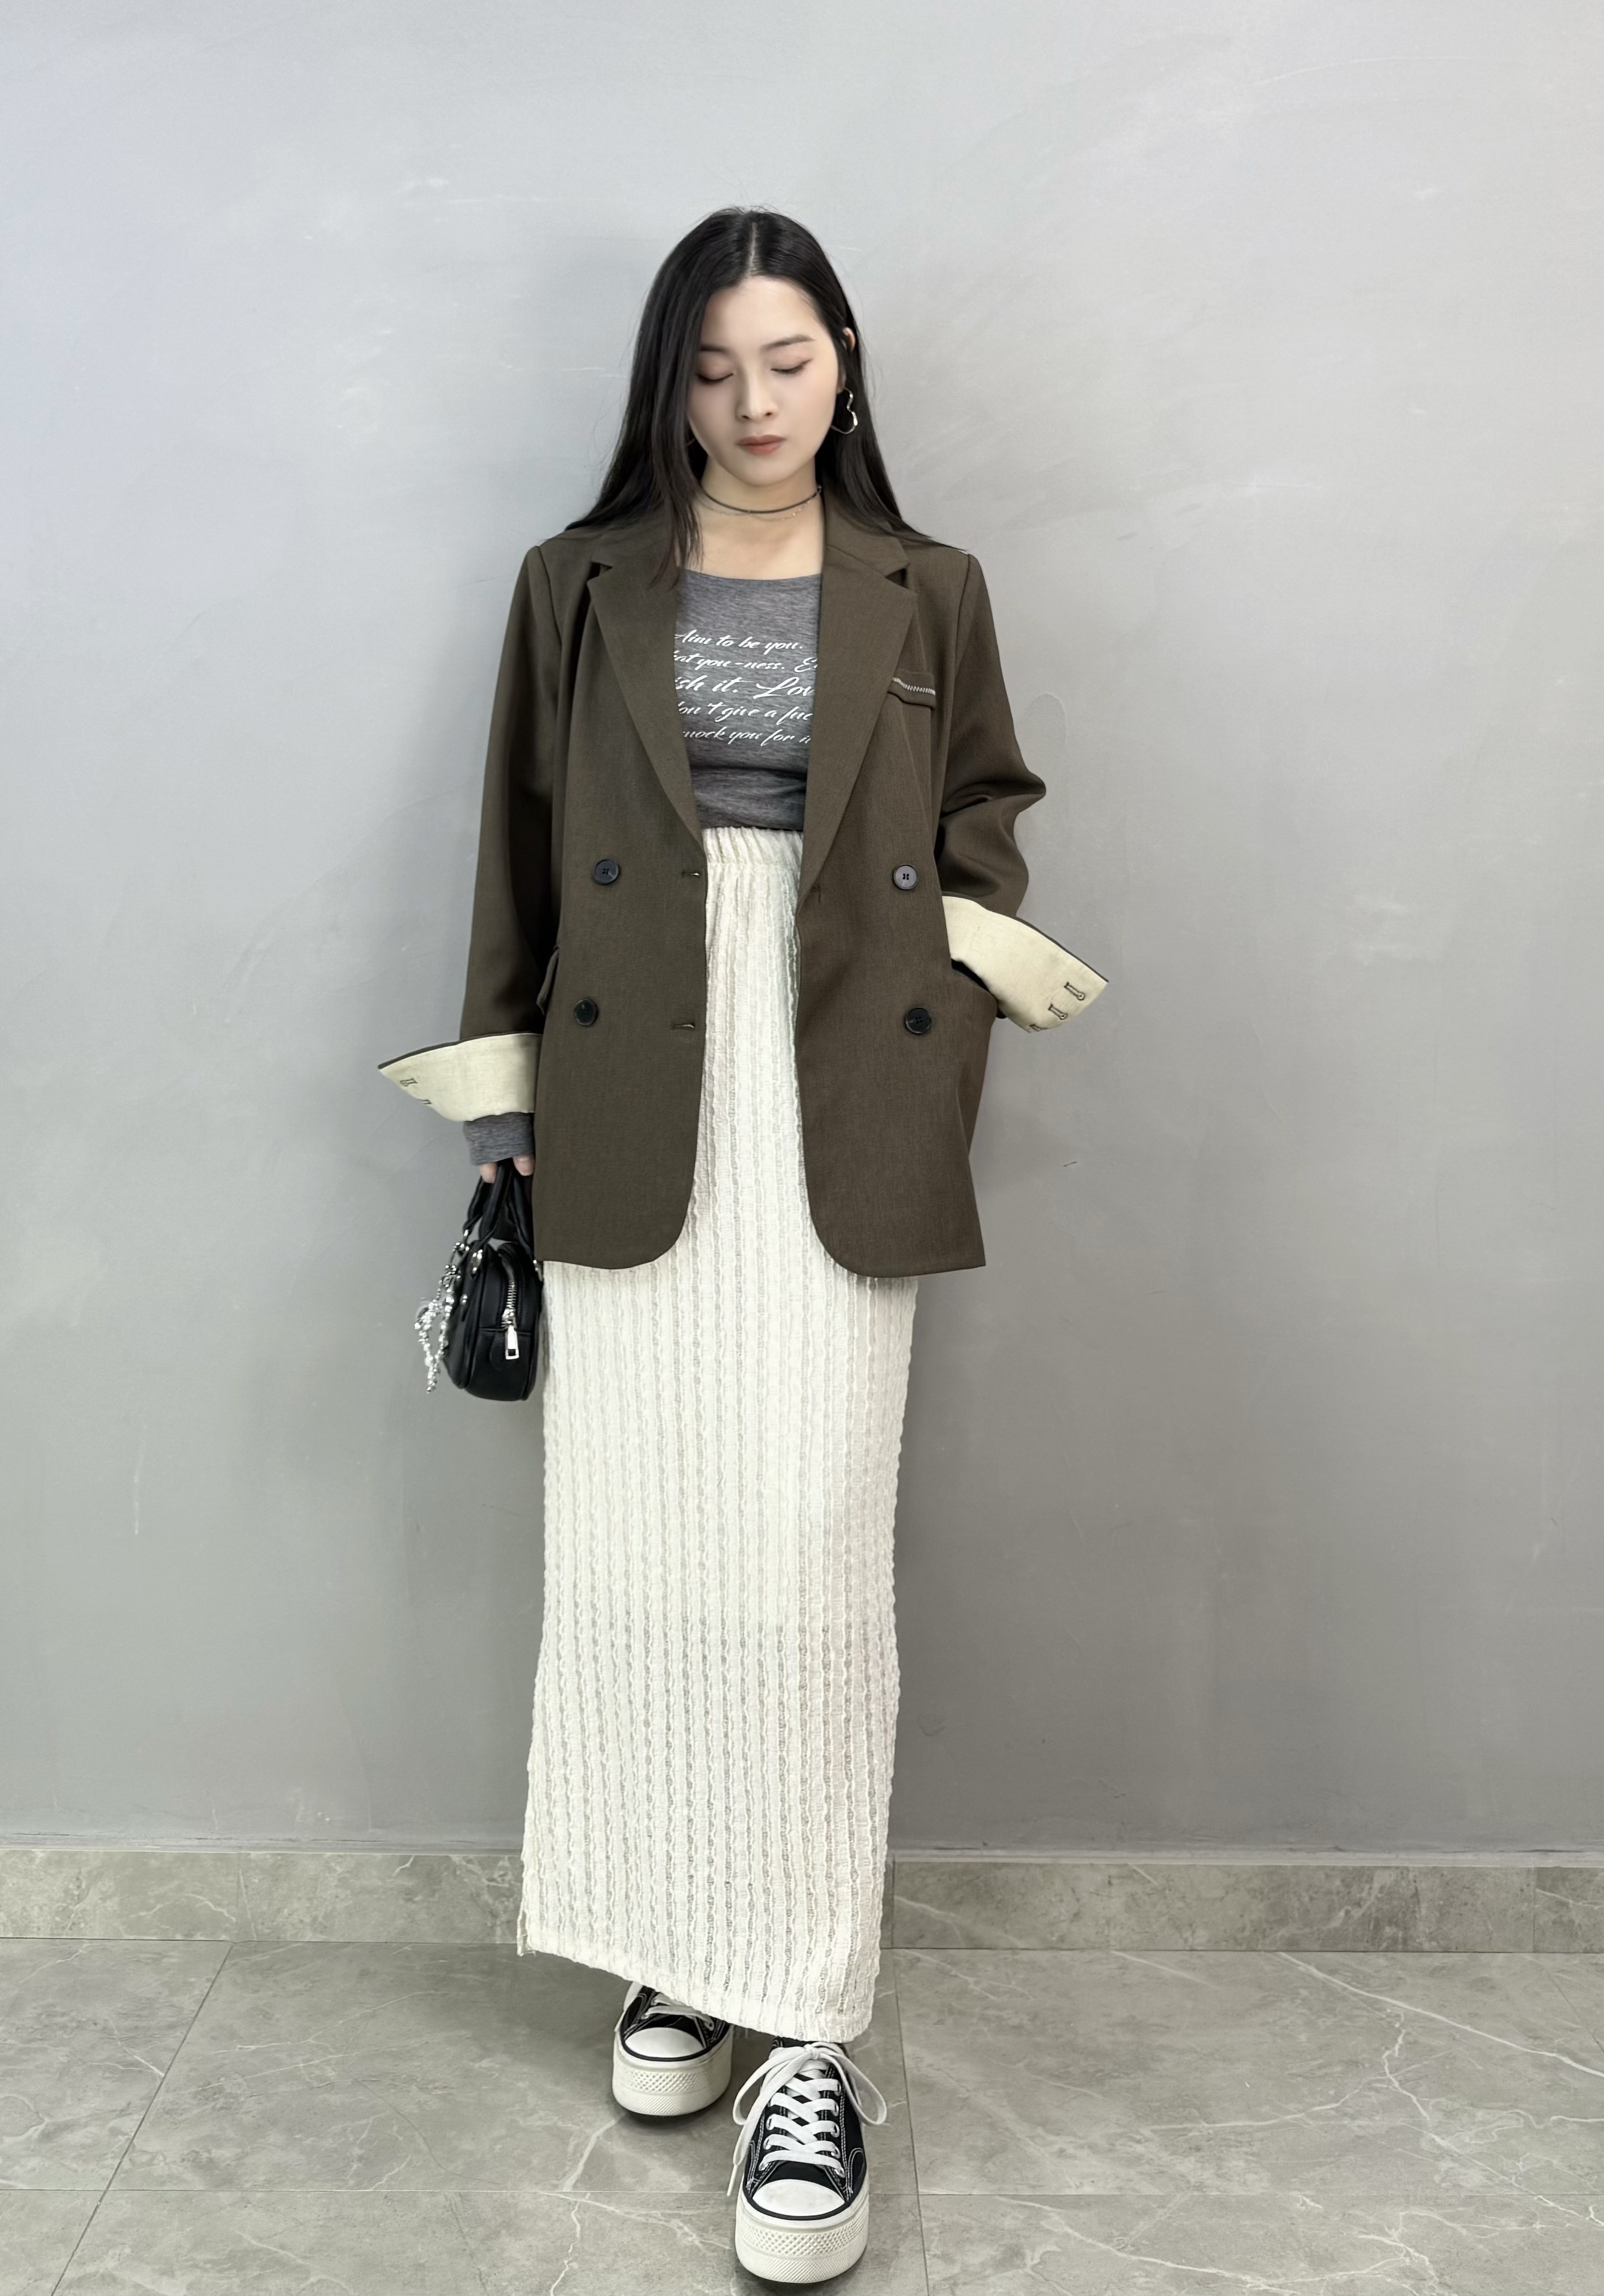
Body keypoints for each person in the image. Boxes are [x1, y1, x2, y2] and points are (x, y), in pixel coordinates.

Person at [390, 206, 1092, 2285]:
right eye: (710, 367)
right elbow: (516, 848)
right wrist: (506, 1115)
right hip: (629, 1083)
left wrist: (946, 1001)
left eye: (785, 359)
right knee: (633, 1551)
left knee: (804, 1558)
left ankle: (804, 2026)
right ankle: (673, 1954)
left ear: (844, 361)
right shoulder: (575, 580)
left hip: (842, 1075)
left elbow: (980, 811)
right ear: (667, 381)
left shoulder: (927, 585)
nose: (751, 401)